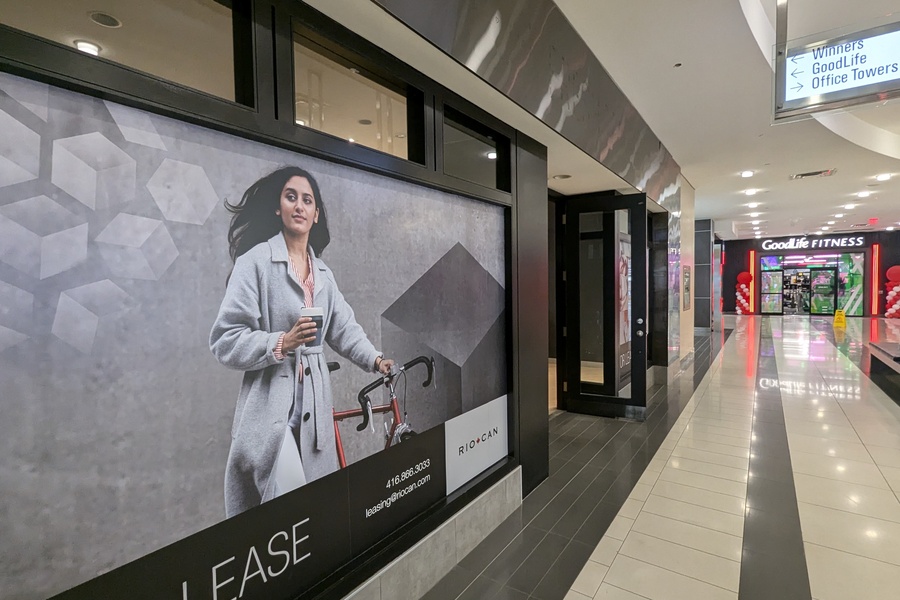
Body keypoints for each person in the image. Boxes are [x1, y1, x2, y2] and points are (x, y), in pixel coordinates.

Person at [210, 166, 393, 518]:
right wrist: (282, 342)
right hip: (269, 411)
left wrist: (375, 359)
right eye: (290, 197)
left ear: (316, 214)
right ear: (278, 207)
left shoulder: (323, 273)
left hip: (315, 411)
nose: (299, 206)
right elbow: (225, 339)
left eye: (307, 200)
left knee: (314, 510)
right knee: (287, 510)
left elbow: (344, 328)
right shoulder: (256, 263)